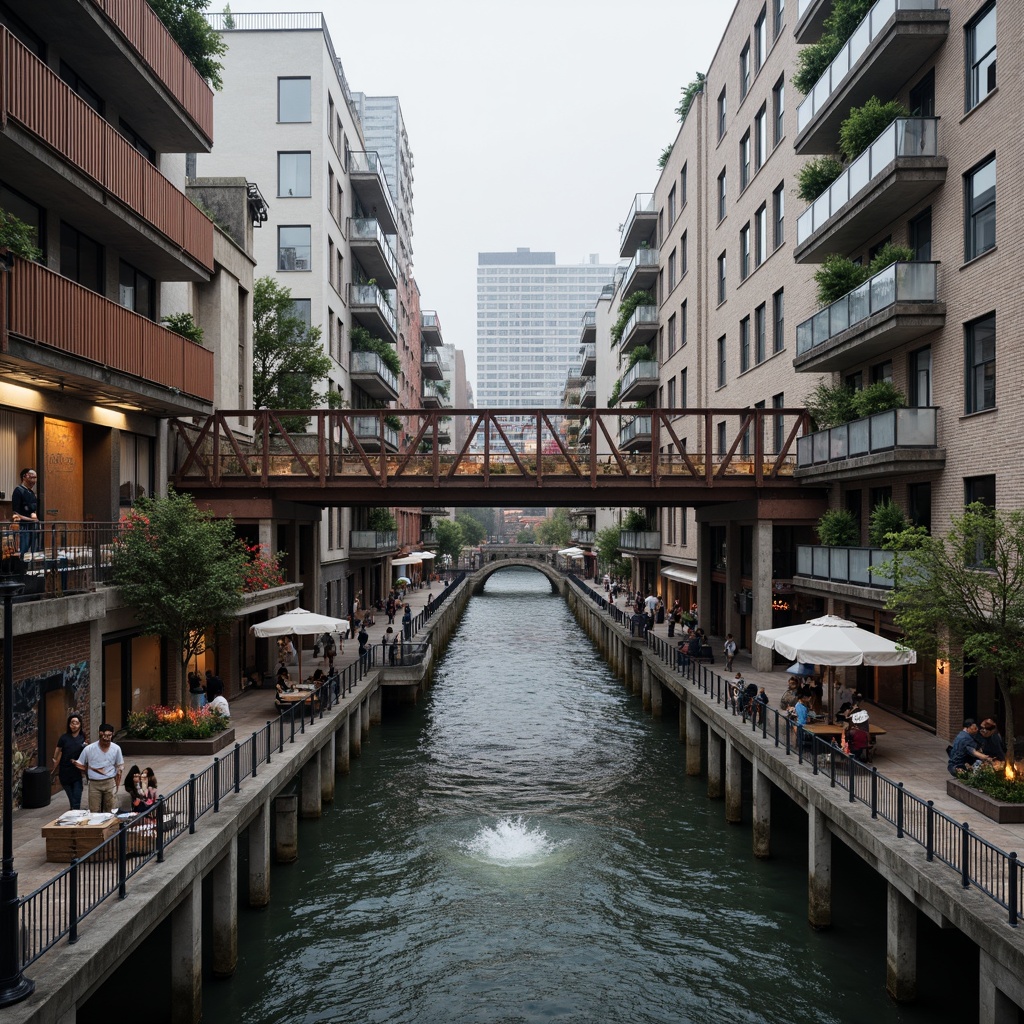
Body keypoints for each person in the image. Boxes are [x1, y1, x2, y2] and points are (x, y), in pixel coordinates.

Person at [73, 723, 124, 813]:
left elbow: (120, 767)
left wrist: (117, 785)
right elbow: (78, 763)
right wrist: (88, 769)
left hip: (109, 782)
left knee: (110, 810)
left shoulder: (116, 749)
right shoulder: (89, 749)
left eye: (109, 736)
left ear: (112, 735)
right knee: (94, 811)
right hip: (94, 783)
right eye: (103, 735)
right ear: (100, 734)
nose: (106, 738)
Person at [52, 712, 87, 810]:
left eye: (76, 723)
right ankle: (74, 812)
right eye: (72, 723)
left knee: (77, 796)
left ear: (80, 724)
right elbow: (58, 750)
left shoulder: (82, 737)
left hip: (76, 771)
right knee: (72, 798)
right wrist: (55, 760)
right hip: (65, 771)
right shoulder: (64, 738)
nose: (74, 725)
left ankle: (75, 812)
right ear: (69, 724)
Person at [12, 467, 40, 557]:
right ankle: (21, 569)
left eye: (35, 478)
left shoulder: (31, 492)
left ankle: (30, 569)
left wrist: (35, 519)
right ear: (24, 477)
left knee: (34, 551)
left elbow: (33, 510)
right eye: (31, 477)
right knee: (23, 550)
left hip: (32, 526)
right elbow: (15, 513)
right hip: (23, 527)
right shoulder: (18, 491)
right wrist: (31, 520)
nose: (34, 480)